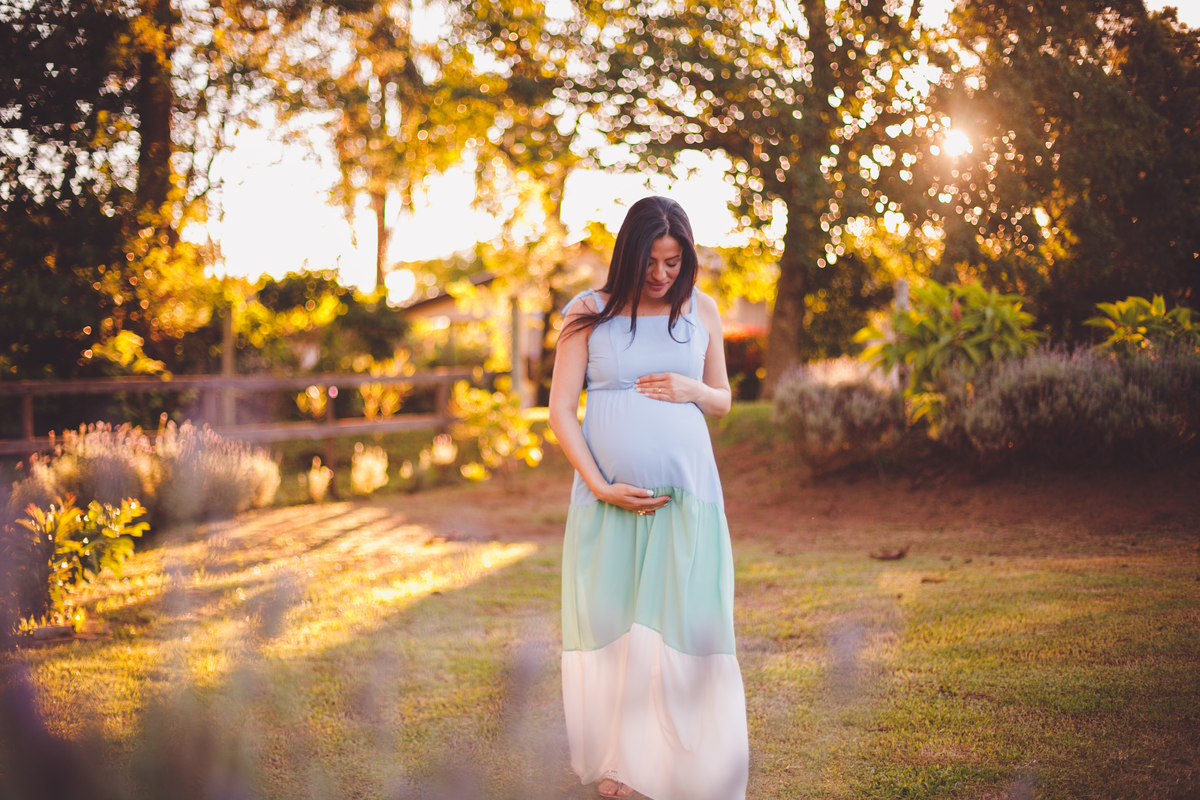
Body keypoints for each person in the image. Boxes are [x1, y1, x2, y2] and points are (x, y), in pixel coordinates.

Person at [549, 197, 750, 800]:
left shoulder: (702, 311)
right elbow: (561, 410)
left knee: (681, 626)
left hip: (689, 500)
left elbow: (723, 399)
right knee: (614, 625)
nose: (662, 274)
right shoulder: (588, 313)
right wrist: (599, 484)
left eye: (673, 261)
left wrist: (693, 387)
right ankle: (619, 766)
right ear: (628, 255)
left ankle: (676, 766)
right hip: (608, 498)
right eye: (650, 262)